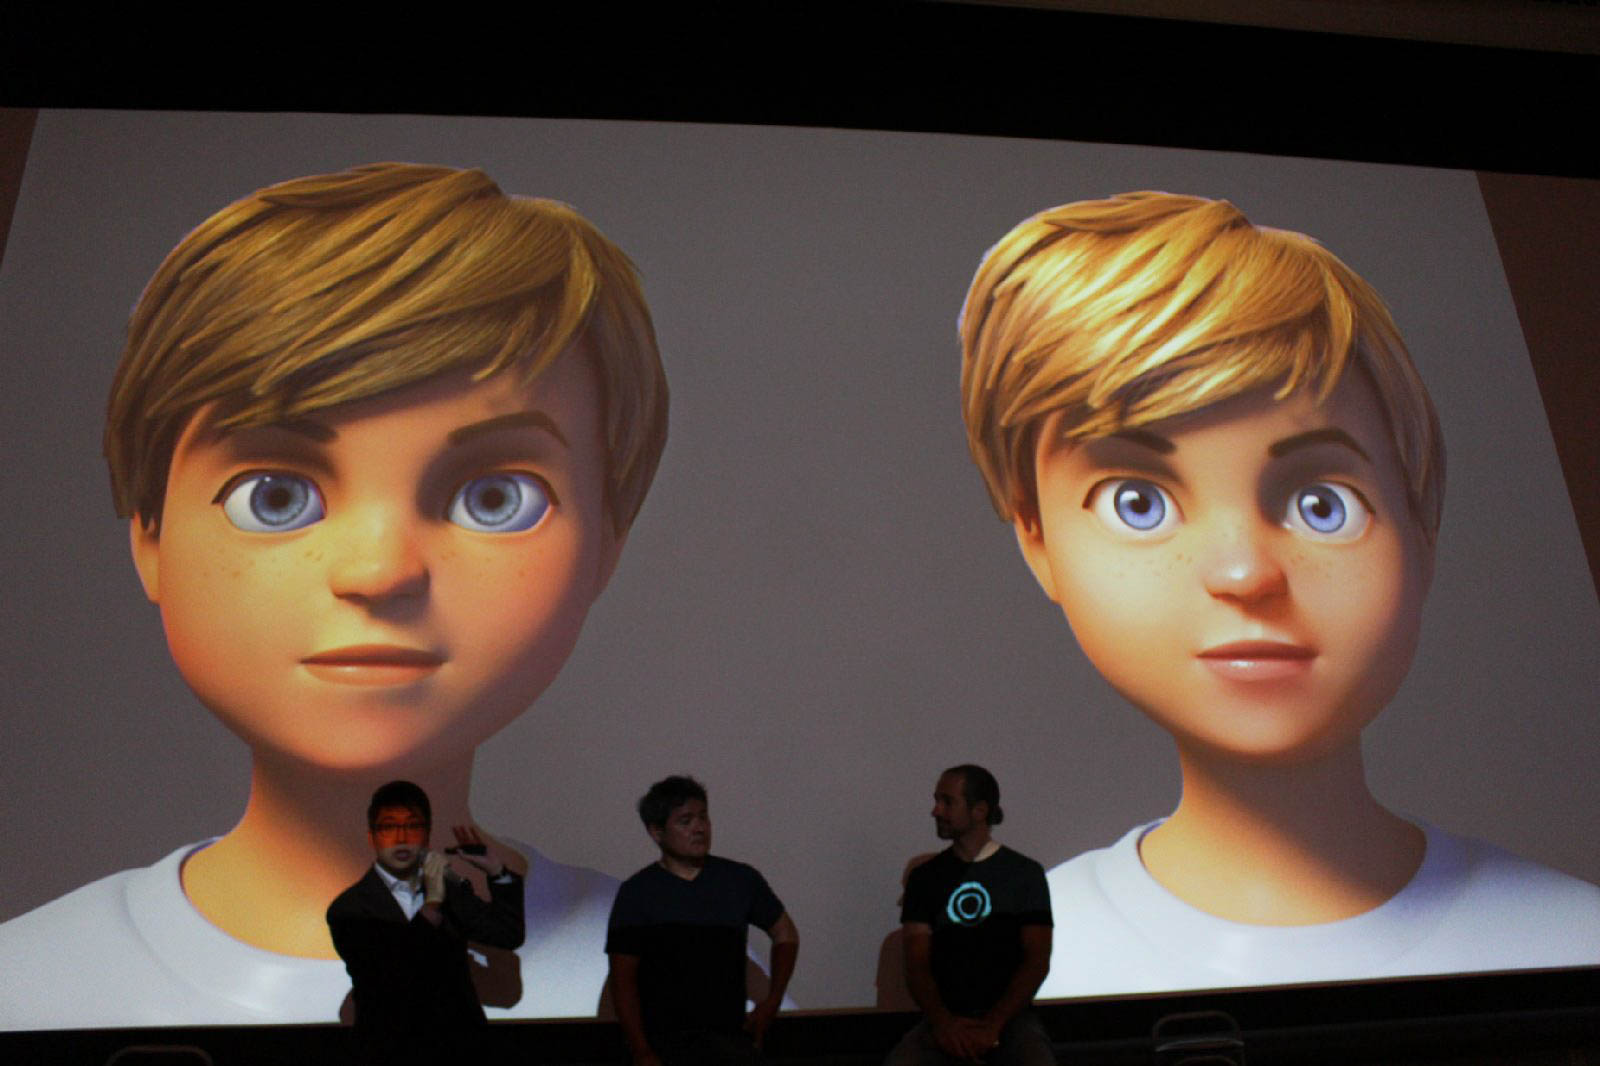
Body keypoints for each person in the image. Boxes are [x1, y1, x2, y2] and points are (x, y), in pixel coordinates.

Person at [0, 162, 669, 1027]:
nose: (379, 572)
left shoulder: (674, 979)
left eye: (495, 498)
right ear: (149, 534)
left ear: (607, 544)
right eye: (274, 495)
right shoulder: (25, 986)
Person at [958, 191, 1600, 996]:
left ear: (1421, 526)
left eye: (1323, 505)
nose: (1244, 574)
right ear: (1037, 538)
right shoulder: (1013, 971)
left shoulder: (1574, 941)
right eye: (1138, 502)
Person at [606, 776, 799, 1066]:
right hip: (664, 1045)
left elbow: (785, 933)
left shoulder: (739, 880)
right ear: (657, 832)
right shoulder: (637, 892)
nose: (699, 828)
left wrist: (773, 1000)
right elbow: (623, 981)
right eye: (685, 821)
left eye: (703, 817)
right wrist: (641, 1051)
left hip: (731, 1042)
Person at [327, 781, 524, 1064]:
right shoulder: (350, 908)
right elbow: (390, 976)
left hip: (461, 1052)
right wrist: (432, 906)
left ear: (427, 836)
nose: (401, 837)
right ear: (372, 837)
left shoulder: (450, 892)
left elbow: (507, 934)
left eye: (413, 825)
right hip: (388, 1053)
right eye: (389, 827)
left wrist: (497, 871)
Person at [887, 765, 1054, 1066]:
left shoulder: (1025, 874)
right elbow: (916, 964)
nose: (936, 811)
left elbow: (1037, 960)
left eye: (947, 802)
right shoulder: (924, 879)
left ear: (979, 811)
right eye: (936, 800)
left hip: (1012, 1022)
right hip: (942, 1020)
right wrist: (944, 1024)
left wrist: (994, 1024)